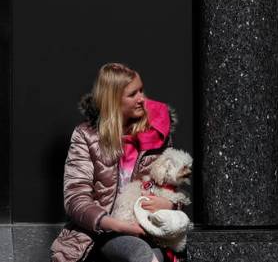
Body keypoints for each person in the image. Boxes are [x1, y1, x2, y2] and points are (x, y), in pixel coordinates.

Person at [50, 63, 183, 262]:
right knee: (140, 252)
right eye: (133, 94)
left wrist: (170, 205)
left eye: (141, 90)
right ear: (113, 100)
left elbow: (173, 187)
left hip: (150, 228)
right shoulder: (85, 136)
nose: (142, 99)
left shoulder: (156, 133)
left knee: (153, 255)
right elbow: (75, 199)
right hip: (101, 232)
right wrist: (117, 225)